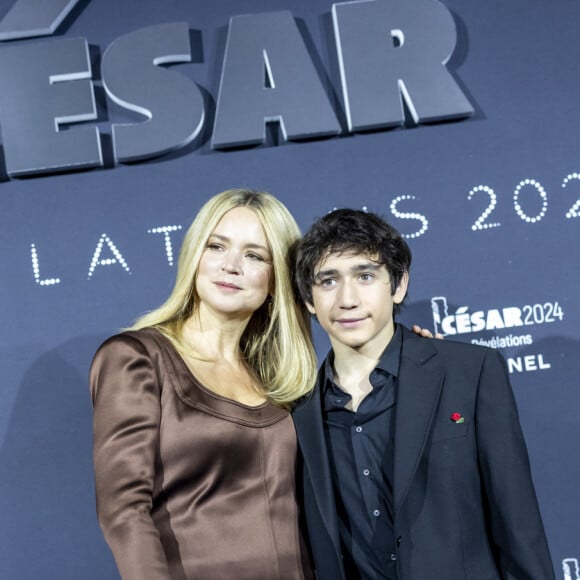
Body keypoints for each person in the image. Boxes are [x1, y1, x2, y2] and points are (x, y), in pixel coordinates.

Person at [292, 208, 555, 580]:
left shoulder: (469, 372)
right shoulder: (296, 413)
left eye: (365, 276)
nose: (347, 299)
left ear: (397, 285)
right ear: (308, 298)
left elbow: (519, 527)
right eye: (328, 281)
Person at [89, 189, 318, 580]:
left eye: (254, 255)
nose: (230, 266)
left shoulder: (283, 378)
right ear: (194, 255)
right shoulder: (138, 358)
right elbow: (123, 511)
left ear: (276, 279)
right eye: (216, 246)